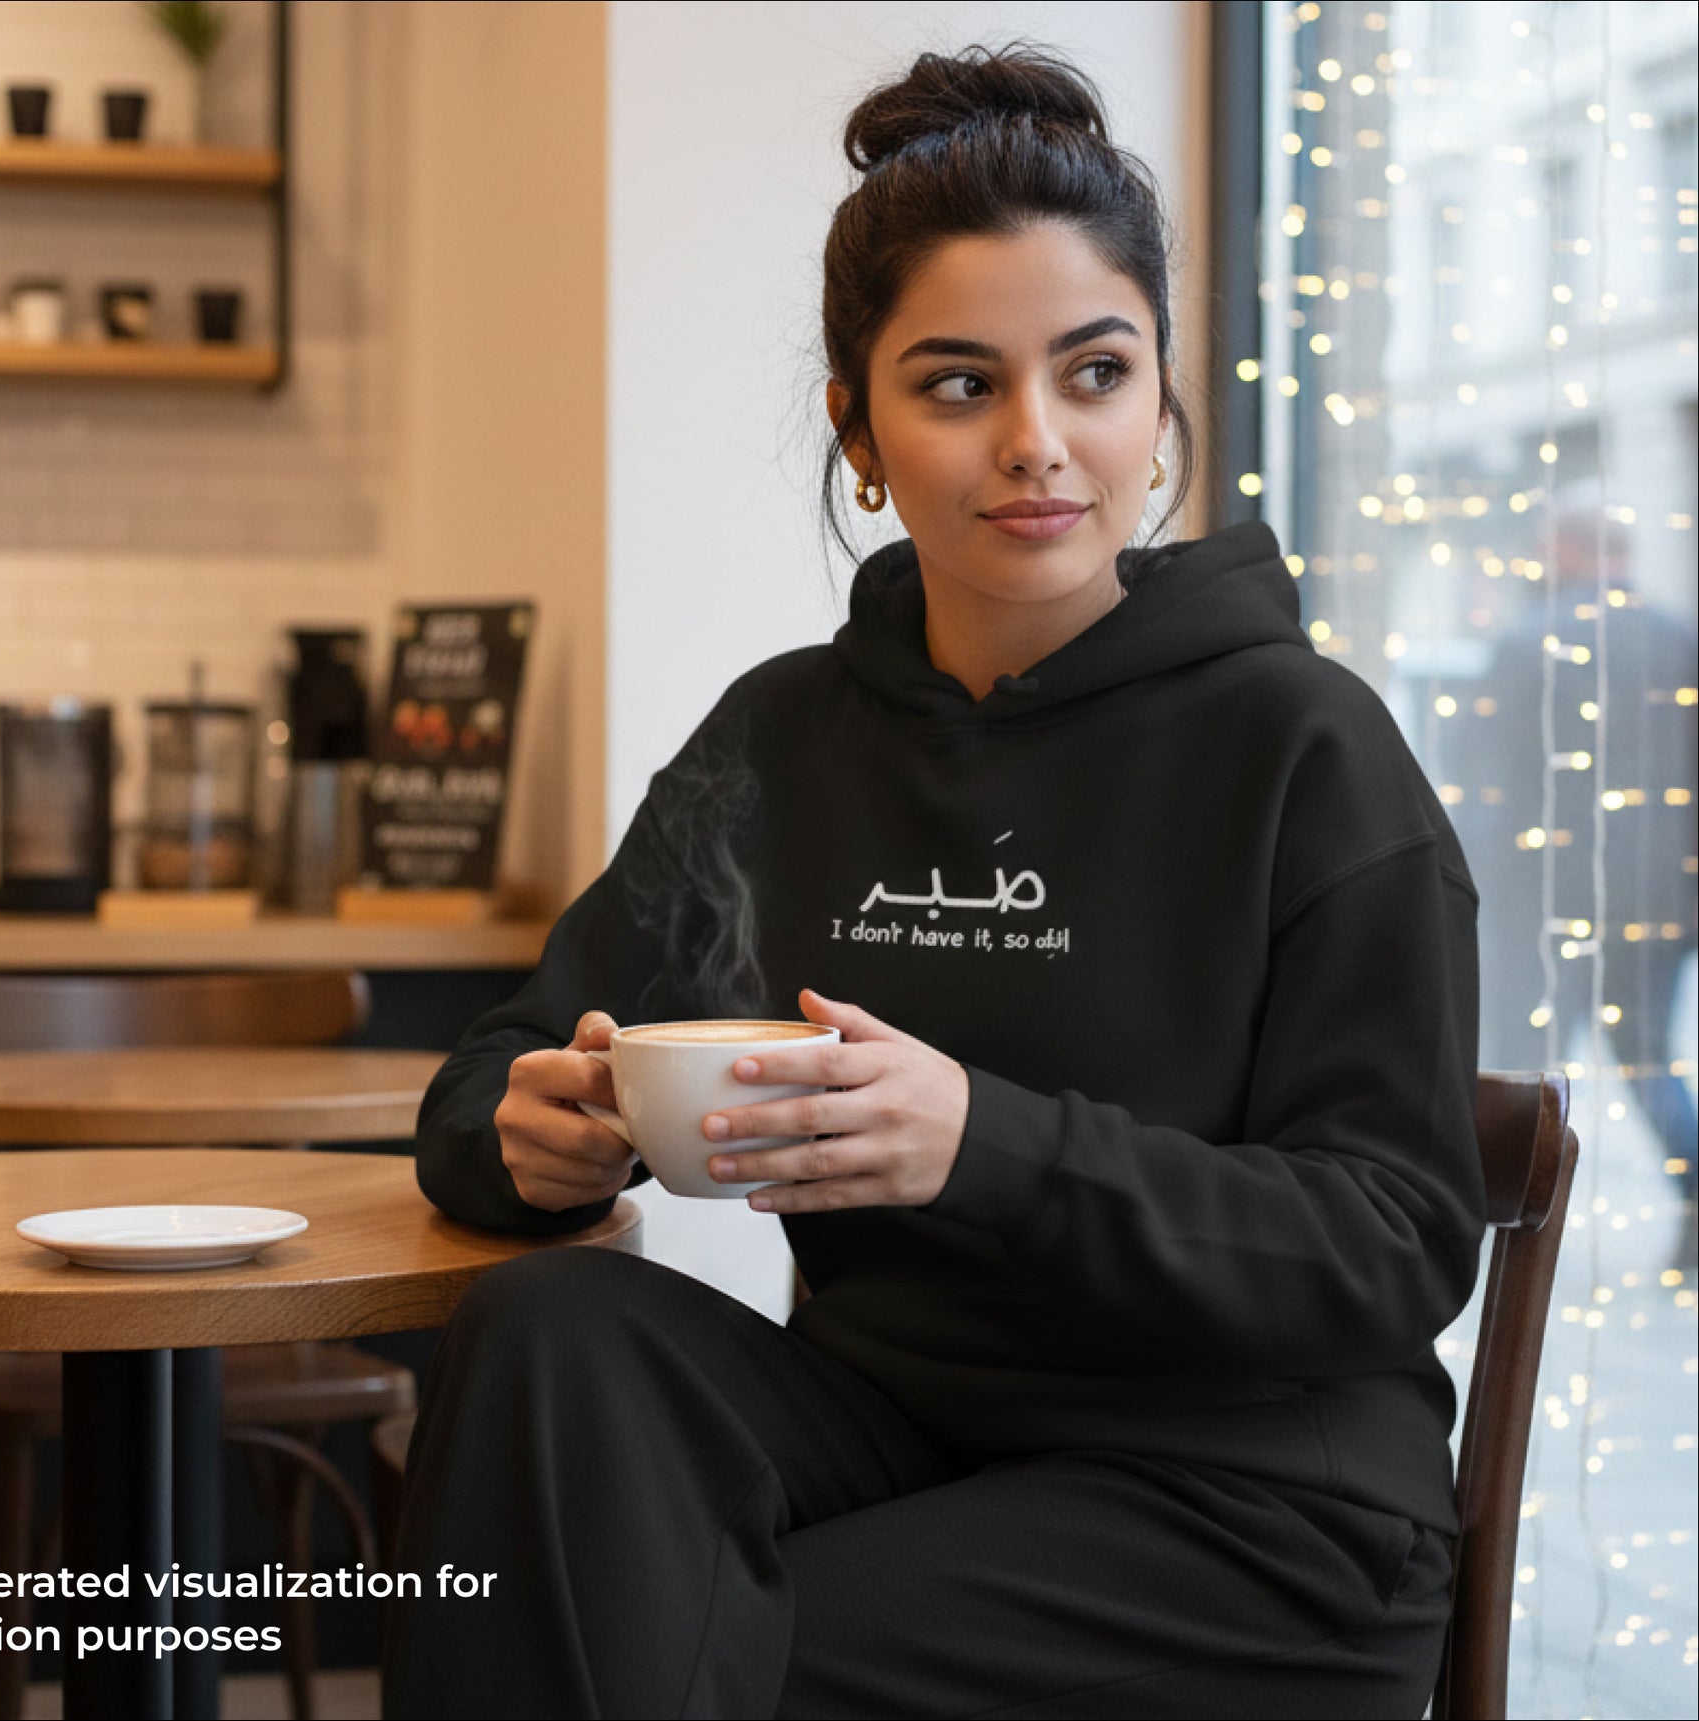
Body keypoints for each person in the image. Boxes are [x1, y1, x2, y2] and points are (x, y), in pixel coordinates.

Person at [382, 43, 1484, 1720]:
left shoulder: (1303, 746)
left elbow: (1395, 1240)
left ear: (1162, 400)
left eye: (1094, 373)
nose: (1038, 443)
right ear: (862, 428)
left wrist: (987, 1144)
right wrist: (521, 1138)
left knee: (642, 1638)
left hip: (1249, 1503)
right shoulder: (782, 740)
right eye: (960, 383)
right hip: (897, 1443)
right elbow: (504, 1067)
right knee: (552, 1331)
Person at [1449, 500, 1698, 1270]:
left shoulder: (1529, 642)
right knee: (1649, 1060)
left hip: (1548, 893)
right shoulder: (1679, 641)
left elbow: (1480, 774)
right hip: (1658, 896)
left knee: (1524, 1066)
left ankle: (1502, 1235)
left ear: (1567, 550)